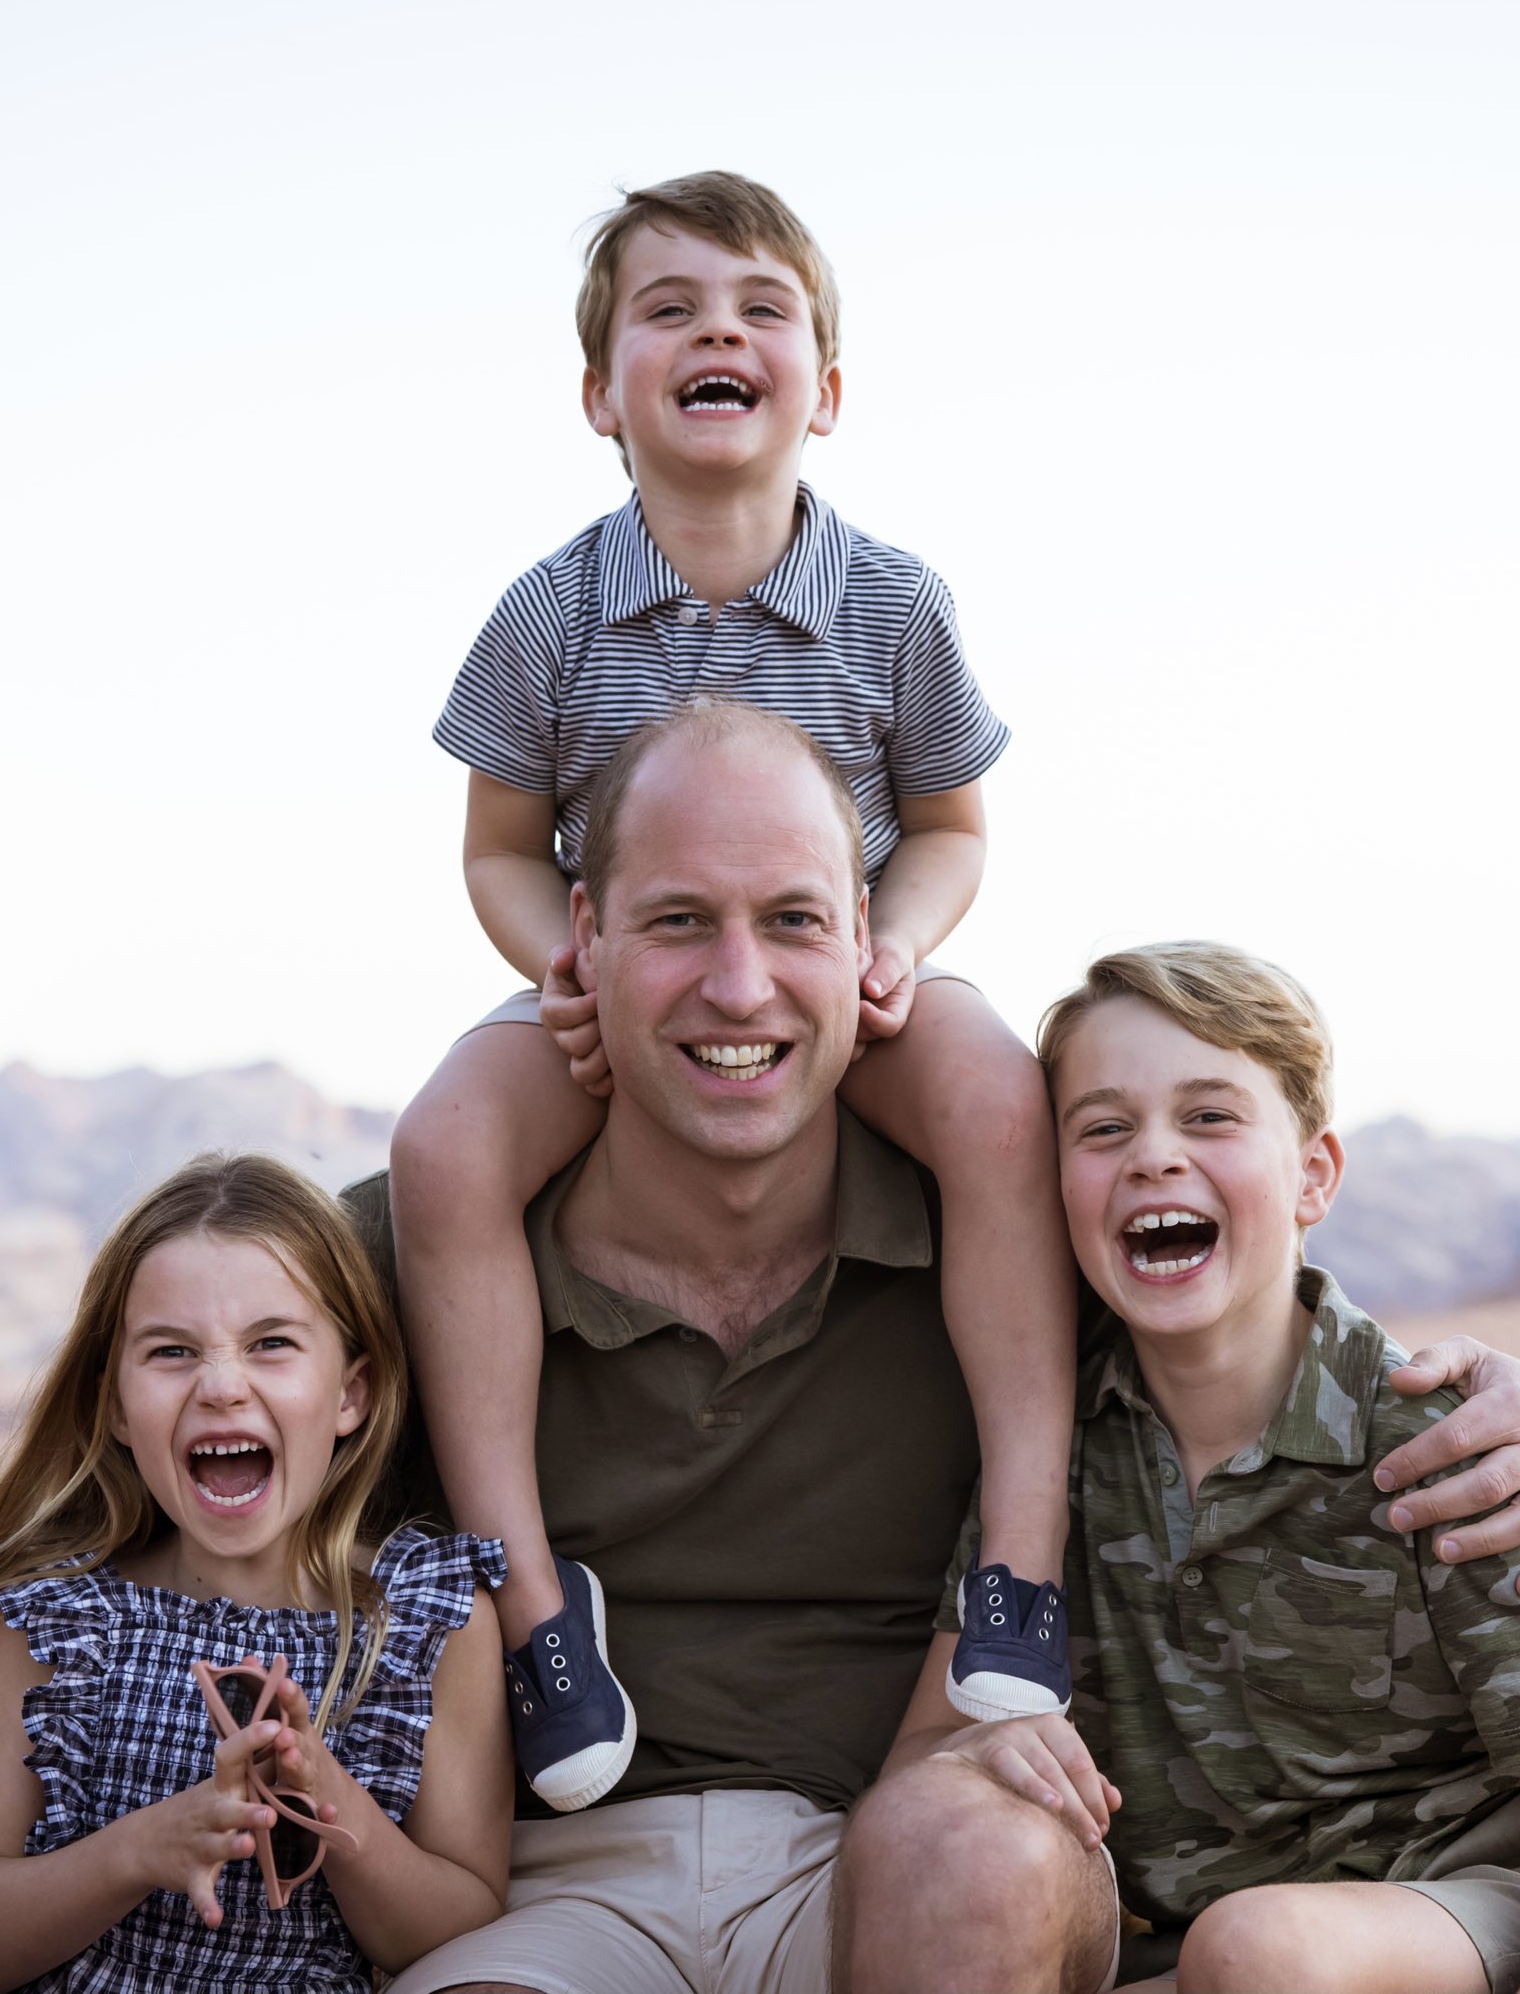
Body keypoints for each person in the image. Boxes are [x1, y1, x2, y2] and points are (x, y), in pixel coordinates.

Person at [0, 708, 1520, 1994]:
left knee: (973, 1841)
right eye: (677, 921)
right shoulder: (416, 1272)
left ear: (872, 957)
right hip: (549, 1891)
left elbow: (1242, 1294)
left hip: (902, 1862)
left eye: (791, 922)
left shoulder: (1000, 1247)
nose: (737, 985)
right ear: (579, 947)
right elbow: (114, 1577)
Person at [392, 168, 1081, 1811]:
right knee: (441, 1147)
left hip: (839, 975)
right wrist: (550, 962)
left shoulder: (891, 603)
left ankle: (1022, 1559)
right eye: (671, 309)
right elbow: (495, 847)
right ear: (598, 391)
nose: (720, 330)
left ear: (824, 391)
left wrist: (891, 942)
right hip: (627, 989)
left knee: (995, 1094)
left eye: (762, 307)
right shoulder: (550, 613)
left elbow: (948, 824)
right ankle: (536, 1610)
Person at [883, 943, 1520, 1993]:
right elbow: (919, 1760)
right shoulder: (1053, 1445)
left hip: (1484, 1919)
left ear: (1312, 1172)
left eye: (1209, 1115)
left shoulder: (1433, 1442)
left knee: (1258, 1945)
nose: (1152, 1156)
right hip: (1208, 1959)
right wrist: (974, 1757)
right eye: (1102, 1127)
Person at [0, 1153, 513, 1993]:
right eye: (171, 1351)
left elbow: (452, 1930)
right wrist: (139, 1850)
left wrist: (324, 1797)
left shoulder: (426, 1620)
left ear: (351, 1393)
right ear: (114, 1406)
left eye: (271, 1344)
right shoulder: (62, 1621)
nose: (223, 1385)